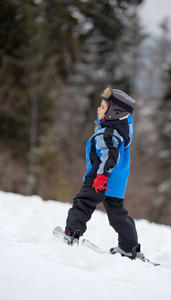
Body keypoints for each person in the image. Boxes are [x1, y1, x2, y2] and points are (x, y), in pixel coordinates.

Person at [64, 85, 140, 259]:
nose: (99, 109)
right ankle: (130, 247)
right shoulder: (120, 131)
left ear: (114, 113)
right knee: (117, 214)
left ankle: (71, 233)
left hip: (100, 179)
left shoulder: (106, 134)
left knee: (83, 203)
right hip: (116, 182)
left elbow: (109, 157)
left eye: (103, 107)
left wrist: (101, 177)